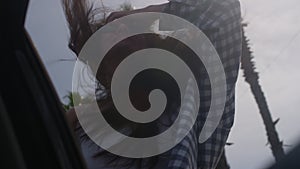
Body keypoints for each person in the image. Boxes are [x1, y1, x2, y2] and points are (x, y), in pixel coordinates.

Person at [63, 0, 242, 168]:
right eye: (109, 30)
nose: (122, 26)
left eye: (131, 27)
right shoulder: (79, 119)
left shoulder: (191, 107)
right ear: (100, 66)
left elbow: (223, 10)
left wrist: (145, 14)